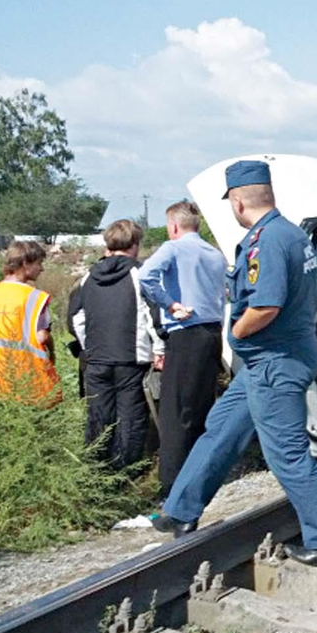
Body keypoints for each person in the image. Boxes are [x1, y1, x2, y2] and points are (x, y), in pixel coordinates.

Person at [152, 160, 317, 570]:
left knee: (287, 455)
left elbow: (266, 304)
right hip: (267, 363)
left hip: (275, 363)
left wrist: (237, 334)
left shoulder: (269, 241)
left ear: (237, 202)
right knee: (221, 428)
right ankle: (180, 509)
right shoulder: (289, 233)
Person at [138, 200, 227, 497]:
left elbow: (147, 276)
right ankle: (200, 473)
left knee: (175, 411)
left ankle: (172, 484)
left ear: (173, 226)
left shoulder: (173, 248)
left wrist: (170, 304)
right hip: (212, 334)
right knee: (203, 406)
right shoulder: (214, 253)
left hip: (186, 333)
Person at [67, 219, 163, 468]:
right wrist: (159, 349)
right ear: (135, 244)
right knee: (130, 417)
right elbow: (150, 314)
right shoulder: (138, 274)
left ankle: (95, 470)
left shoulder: (88, 277)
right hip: (130, 359)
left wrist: (89, 345)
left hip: (96, 359)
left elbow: (76, 318)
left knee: (98, 416)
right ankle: (125, 471)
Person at [0, 240, 61, 406]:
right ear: (25, 263)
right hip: (23, 377)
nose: (41, 269)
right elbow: (41, 337)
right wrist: (53, 352)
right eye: (39, 263)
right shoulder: (34, 298)